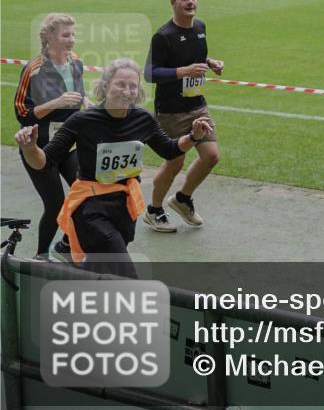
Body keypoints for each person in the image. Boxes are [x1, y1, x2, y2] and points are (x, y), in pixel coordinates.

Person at [14, 59, 212, 277]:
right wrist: (30, 148)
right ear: (106, 85)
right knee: (125, 274)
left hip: (125, 207)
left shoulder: (143, 119)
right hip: (90, 209)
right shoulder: (82, 120)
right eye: (120, 84)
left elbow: (170, 150)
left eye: (132, 86)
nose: (126, 91)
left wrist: (194, 136)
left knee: (103, 270)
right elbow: (44, 162)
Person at [143, 0, 223, 232]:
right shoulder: (163, 36)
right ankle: (154, 211)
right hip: (171, 111)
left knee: (211, 156)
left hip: (197, 105)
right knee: (175, 163)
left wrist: (210, 62)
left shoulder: (200, 27)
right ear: (173, 3)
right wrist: (183, 72)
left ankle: (182, 199)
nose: (190, 2)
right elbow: (149, 73)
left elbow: (194, 58)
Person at [13, 13, 88, 261]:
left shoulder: (76, 62)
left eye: (73, 34)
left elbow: (79, 97)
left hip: (69, 144)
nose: (72, 40)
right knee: (55, 203)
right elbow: (22, 113)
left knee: (86, 195)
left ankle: (66, 246)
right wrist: (56, 102)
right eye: (66, 35)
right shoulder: (34, 69)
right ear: (49, 38)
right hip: (39, 148)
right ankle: (41, 256)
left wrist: (89, 104)